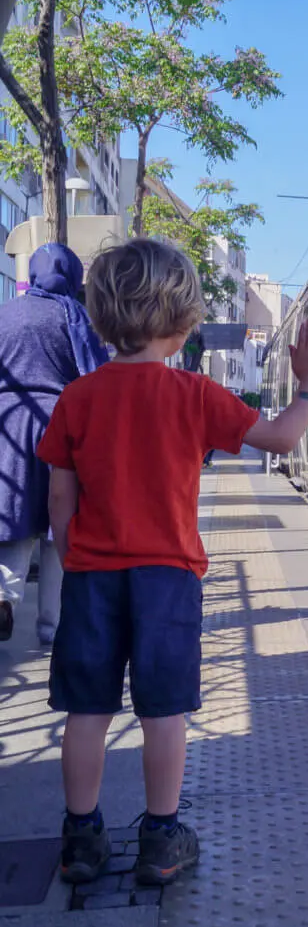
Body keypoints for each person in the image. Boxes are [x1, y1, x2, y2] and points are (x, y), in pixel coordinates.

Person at [36, 238, 308, 886]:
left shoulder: (77, 399)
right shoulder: (194, 396)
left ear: (102, 315)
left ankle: (80, 841)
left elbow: (61, 494)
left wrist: (73, 555)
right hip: (167, 579)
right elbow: (279, 437)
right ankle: (161, 839)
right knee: (162, 712)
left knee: (86, 712)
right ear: (183, 320)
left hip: (91, 577)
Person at [0, 243, 108, 644]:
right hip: (58, 424)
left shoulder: (5, 312)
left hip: (6, 428)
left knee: (12, 520)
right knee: (57, 527)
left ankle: (4, 597)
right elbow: (94, 376)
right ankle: (52, 625)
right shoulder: (72, 315)